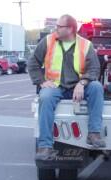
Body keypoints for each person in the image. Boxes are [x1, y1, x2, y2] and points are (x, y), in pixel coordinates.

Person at [27, 14, 106, 161]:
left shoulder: (85, 45)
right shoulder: (48, 41)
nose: (55, 29)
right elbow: (32, 63)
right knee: (45, 97)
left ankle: (94, 134)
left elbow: (94, 69)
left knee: (96, 87)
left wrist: (82, 83)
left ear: (70, 29)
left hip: (78, 87)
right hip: (55, 86)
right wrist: (41, 82)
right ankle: (45, 147)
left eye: (59, 26)